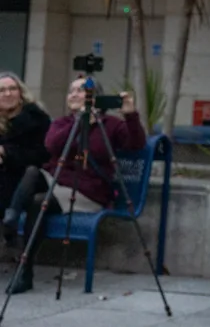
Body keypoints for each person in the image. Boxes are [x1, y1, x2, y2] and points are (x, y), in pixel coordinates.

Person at [4, 77, 145, 294]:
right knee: (32, 172)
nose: (74, 95)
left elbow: (136, 145)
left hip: (87, 192)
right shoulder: (62, 123)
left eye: (81, 91)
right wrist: (80, 122)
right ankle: (10, 220)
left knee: (38, 202)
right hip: (57, 181)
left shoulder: (111, 126)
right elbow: (52, 146)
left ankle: (25, 271)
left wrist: (130, 114)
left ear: (94, 97)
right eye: (71, 91)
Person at [0, 73, 51, 233]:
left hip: (30, 179)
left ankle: (9, 236)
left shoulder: (36, 118)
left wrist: (5, 153)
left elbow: (42, 156)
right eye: (2, 90)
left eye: (12, 89)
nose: (8, 94)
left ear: (20, 93)